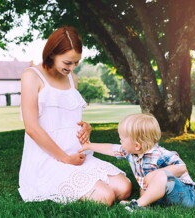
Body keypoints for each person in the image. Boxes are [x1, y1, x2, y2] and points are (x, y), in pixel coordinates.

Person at [18, 26, 131, 205]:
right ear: (52, 54)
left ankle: (90, 186)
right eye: (67, 62)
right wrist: (64, 158)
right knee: (105, 197)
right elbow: (32, 128)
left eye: (76, 62)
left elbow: (68, 117)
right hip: (48, 158)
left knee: (124, 188)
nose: (72, 67)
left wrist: (86, 126)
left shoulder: (73, 79)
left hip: (76, 154)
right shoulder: (31, 76)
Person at [80, 113, 195, 212]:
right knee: (144, 187)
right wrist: (89, 146)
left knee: (159, 176)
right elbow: (111, 148)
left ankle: (137, 205)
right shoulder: (130, 152)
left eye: (122, 139)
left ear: (137, 145)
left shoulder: (160, 154)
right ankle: (144, 204)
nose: (120, 141)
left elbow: (181, 168)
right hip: (163, 197)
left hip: (186, 196)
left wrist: (156, 173)